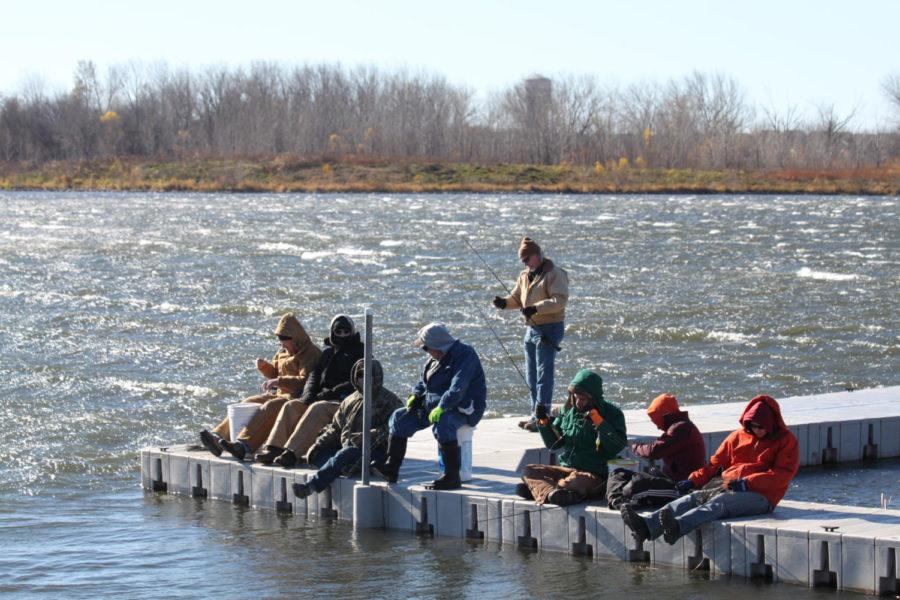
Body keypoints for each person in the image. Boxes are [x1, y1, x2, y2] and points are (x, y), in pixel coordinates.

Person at [621, 395, 799, 545]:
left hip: (763, 496)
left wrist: (747, 483)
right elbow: (714, 465)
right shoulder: (737, 437)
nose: (757, 430)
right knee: (693, 497)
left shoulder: (786, 441)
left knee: (720, 502)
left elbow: (782, 475)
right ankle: (646, 527)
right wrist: (693, 480)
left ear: (771, 424)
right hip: (731, 486)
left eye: (762, 426)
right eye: (753, 425)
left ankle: (678, 527)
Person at [372, 322, 486, 490]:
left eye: (426, 348)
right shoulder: (434, 359)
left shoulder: (465, 355)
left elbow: (458, 388)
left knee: (444, 422)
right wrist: (415, 395)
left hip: (463, 407)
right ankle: (392, 467)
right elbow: (422, 382)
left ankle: (452, 477)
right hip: (433, 404)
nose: (425, 351)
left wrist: (442, 406)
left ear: (438, 345)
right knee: (399, 417)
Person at [198, 313, 321, 458]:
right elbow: (275, 373)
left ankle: (244, 445)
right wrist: (264, 367)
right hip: (280, 393)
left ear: (295, 338)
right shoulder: (282, 352)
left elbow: (305, 380)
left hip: (297, 397)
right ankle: (217, 438)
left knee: (269, 407)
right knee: (248, 402)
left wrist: (279, 381)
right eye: (279, 339)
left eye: (284, 339)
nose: (281, 343)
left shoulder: (310, 353)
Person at [253, 314, 365, 467]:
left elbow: (356, 382)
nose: (342, 335)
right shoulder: (327, 353)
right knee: (292, 406)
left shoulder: (360, 353)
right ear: (333, 332)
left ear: (352, 332)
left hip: (344, 401)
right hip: (321, 397)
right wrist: (308, 396)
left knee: (317, 409)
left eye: (346, 332)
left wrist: (330, 393)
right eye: (338, 332)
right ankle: (273, 448)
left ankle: (292, 453)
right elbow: (314, 376)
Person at [292, 358, 402, 498]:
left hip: (375, 450)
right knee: (318, 455)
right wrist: (319, 443)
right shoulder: (349, 400)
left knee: (345, 454)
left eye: (369, 375)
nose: (364, 378)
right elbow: (335, 427)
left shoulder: (390, 400)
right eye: (360, 374)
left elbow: (396, 428)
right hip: (347, 447)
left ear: (377, 376)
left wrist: (369, 435)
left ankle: (311, 486)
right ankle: (345, 467)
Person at [516, 369, 627, 506]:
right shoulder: (568, 410)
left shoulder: (613, 413)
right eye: (576, 397)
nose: (578, 402)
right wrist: (544, 422)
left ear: (594, 398)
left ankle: (542, 491)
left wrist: (599, 422)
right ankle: (552, 493)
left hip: (595, 476)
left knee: (575, 481)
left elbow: (618, 445)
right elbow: (553, 445)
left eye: (583, 399)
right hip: (566, 470)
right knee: (528, 470)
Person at [492, 236, 569, 432]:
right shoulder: (525, 275)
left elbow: (559, 301)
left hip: (550, 328)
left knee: (544, 375)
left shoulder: (554, 274)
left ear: (537, 255)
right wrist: (504, 303)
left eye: (526, 259)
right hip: (531, 329)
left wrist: (535, 308)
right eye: (522, 261)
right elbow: (517, 298)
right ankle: (536, 414)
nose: (524, 263)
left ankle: (542, 419)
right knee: (531, 375)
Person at [606, 393, 706, 510]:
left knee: (638, 484)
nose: (658, 427)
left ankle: (626, 500)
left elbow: (654, 451)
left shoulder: (682, 428)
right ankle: (617, 500)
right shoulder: (677, 427)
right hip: (666, 480)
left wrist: (634, 446)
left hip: (680, 488)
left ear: (665, 415)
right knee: (617, 474)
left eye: (657, 421)